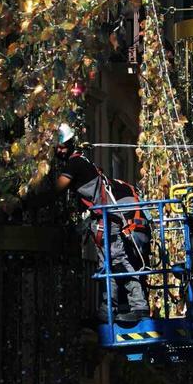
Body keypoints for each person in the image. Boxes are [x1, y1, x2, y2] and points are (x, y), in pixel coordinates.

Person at [52, 123, 149, 322]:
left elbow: (58, 188)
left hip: (111, 218)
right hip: (108, 218)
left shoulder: (75, 164)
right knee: (108, 264)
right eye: (57, 147)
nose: (59, 150)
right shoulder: (83, 162)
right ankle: (108, 310)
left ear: (70, 145)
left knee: (117, 260)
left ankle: (138, 306)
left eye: (62, 146)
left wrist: (28, 199)